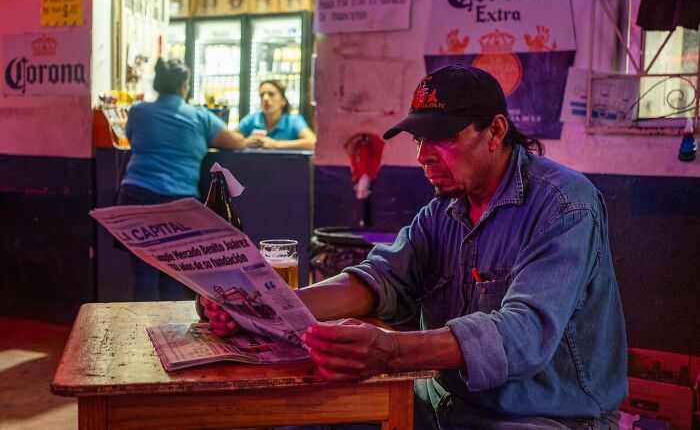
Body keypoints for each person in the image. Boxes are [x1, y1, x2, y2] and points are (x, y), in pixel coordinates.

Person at [201, 64, 628, 428]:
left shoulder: (565, 206)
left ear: (495, 131)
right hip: (441, 403)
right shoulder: (443, 210)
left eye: (440, 137)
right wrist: (271, 307)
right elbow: (381, 279)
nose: (423, 155)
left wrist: (391, 351)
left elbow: (524, 335)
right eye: (418, 140)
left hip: (545, 416)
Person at [118, 58, 245, 301]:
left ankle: (139, 333)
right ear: (184, 85)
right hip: (178, 201)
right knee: (176, 271)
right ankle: (172, 333)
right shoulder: (199, 116)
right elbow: (236, 142)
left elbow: (132, 141)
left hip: (136, 194)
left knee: (142, 273)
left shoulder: (138, 111)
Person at [235, 80, 317, 150]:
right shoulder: (250, 119)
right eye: (262, 95)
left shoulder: (294, 121)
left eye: (271, 94)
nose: (265, 98)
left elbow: (313, 142)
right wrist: (245, 142)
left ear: (283, 101)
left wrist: (276, 144)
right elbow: (229, 141)